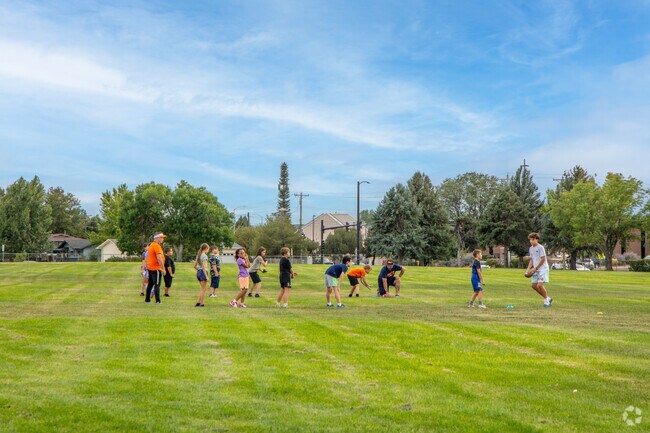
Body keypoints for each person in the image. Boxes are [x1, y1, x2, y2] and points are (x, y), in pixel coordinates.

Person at [525, 232, 553, 307]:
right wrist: (528, 269)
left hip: (542, 269)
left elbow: (543, 259)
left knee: (539, 285)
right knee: (534, 286)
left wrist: (536, 268)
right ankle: (547, 298)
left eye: (533, 239)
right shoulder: (530, 249)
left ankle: (546, 301)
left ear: (537, 240)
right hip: (535, 269)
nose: (531, 241)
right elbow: (531, 260)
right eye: (530, 240)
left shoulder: (540, 247)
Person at [145, 233, 167, 304]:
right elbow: (159, 258)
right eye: (161, 238)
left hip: (151, 268)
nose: (162, 239)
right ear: (157, 238)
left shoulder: (151, 245)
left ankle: (147, 299)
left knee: (150, 284)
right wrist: (163, 268)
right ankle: (158, 300)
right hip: (156, 268)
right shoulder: (157, 246)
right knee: (157, 284)